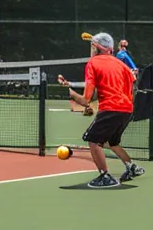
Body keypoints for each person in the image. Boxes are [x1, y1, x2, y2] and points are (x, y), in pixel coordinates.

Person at [58, 33, 144, 188]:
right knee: (112, 142)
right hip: (127, 109)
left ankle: (105, 176)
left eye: (91, 46)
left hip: (110, 109)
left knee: (93, 140)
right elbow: (130, 84)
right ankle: (132, 167)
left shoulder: (93, 63)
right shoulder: (121, 65)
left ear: (95, 47)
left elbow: (86, 99)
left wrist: (69, 92)